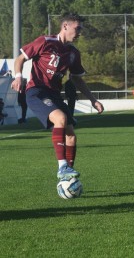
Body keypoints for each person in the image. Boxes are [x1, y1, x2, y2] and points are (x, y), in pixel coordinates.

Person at [11, 13, 104, 181]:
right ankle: (62, 167)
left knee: (71, 135)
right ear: (65, 26)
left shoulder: (73, 53)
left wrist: (92, 99)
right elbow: (19, 60)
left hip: (54, 95)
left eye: (81, 29)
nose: (79, 32)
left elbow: (76, 78)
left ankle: (68, 176)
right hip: (37, 92)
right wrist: (18, 76)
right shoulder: (45, 41)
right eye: (77, 28)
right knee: (60, 119)